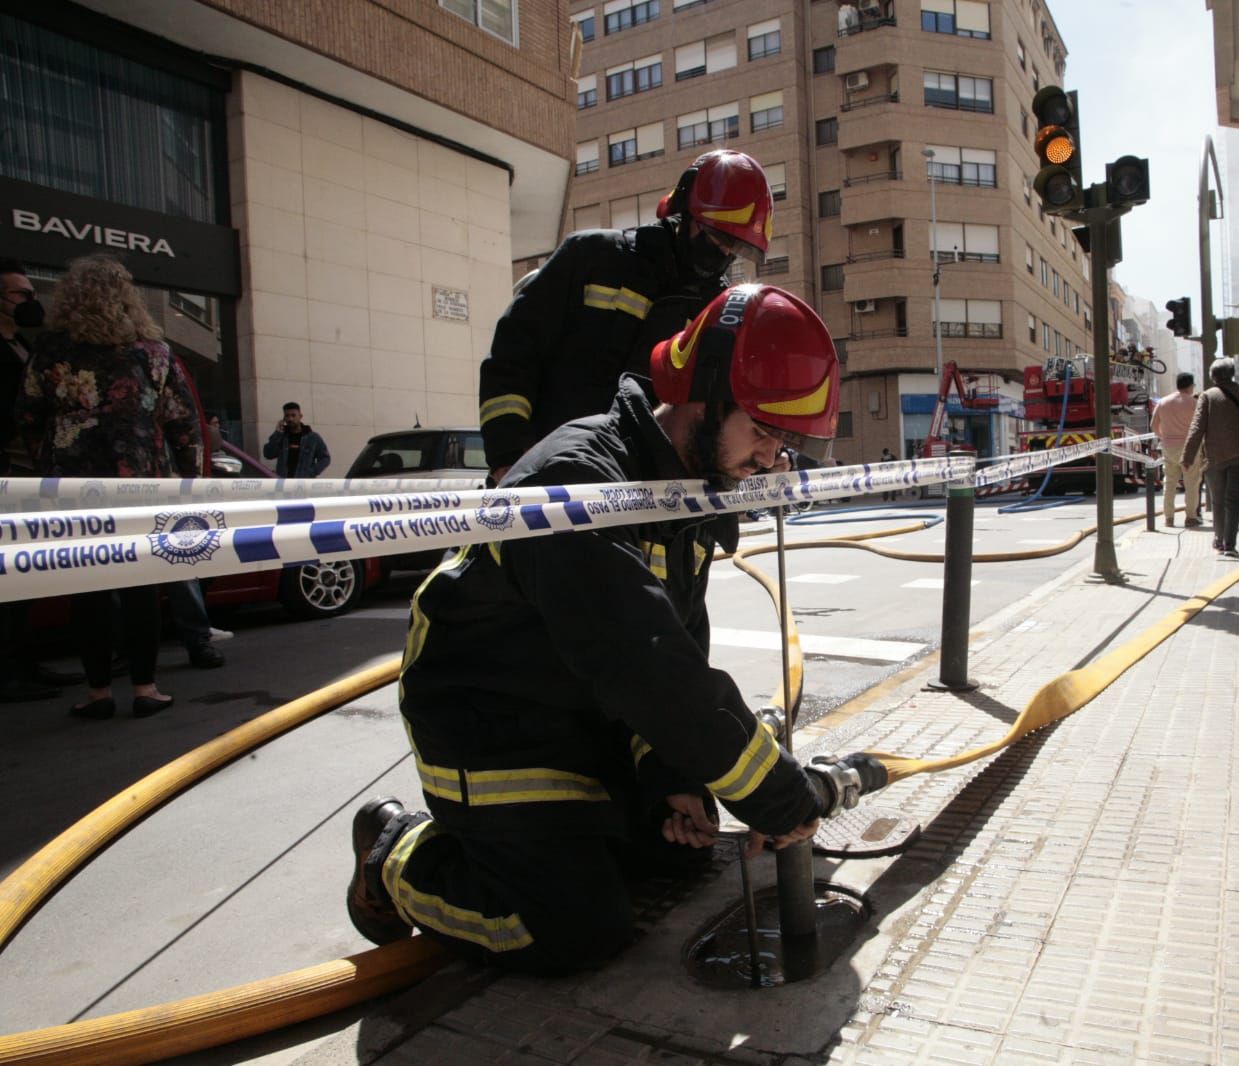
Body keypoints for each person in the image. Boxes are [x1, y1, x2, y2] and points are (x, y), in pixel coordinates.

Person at [347, 284, 837, 972]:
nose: (768, 460)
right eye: (761, 432)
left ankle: (575, 835)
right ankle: (394, 854)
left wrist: (674, 774)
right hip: (490, 723)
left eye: (781, 442)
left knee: (678, 853)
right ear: (701, 398)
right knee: (573, 929)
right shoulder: (580, 481)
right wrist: (778, 794)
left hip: (577, 711)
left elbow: (679, 641)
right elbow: (645, 663)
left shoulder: (682, 485)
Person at [478, 149, 774, 484]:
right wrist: (509, 457)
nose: (723, 254)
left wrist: (767, 451)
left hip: (638, 494)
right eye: (718, 238)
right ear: (685, 212)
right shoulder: (591, 257)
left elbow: (725, 410)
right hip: (545, 479)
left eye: (735, 249)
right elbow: (511, 357)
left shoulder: (718, 310)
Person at [16, 255, 202, 719]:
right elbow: (184, 423)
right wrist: (188, 479)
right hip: (138, 481)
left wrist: (49, 460)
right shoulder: (153, 352)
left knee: (87, 586)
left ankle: (98, 692)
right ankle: (145, 687)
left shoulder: (51, 349)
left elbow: (27, 415)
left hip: (72, 485)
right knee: (141, 586)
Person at [0, 258, 80, 702]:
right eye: (21, 294)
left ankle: (24, 665)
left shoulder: (23, 347)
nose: (31, 302)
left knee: (22, 579)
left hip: (30, 476)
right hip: (9, 476)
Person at [1180, 357, 1239, 559]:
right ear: (1232, 374)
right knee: (1235, 500)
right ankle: (1230, 544)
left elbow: (1197, 427)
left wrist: (1188, 456)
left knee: (1218, 499)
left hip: (1216, 455)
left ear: (1212, 377)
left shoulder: (1207, 396)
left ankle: (1220, 539)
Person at [1149, 372, 1205, 528]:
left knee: (1170, 482)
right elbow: (1201, 426)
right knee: (1192, 482)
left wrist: (1163, 436)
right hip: (1190, 447)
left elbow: (1153, 425)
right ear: (1190, 386)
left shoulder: (1163, 402)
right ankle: (1191, 517)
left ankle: (1169, 518)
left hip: (1169, 446)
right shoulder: (1195, 403)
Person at [263, 401, 331, 477]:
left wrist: (310, 473)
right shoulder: (281, 437)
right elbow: (268, 454)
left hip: (304, 483)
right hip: (283, 483)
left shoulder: (312, 438)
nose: (290, 419)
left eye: (293, 415)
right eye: (287, 416)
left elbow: (325, 458)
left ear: (300, 416)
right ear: (284, 418)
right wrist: (277, 433)